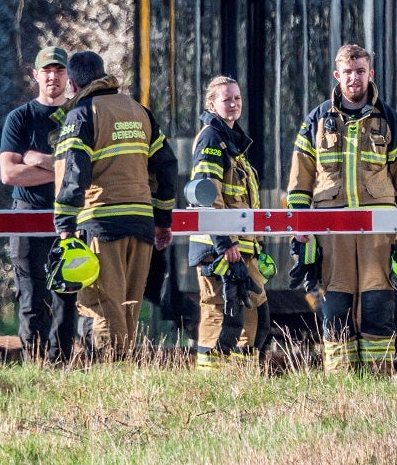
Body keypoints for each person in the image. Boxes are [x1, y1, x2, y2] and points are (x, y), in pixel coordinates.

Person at [289, 43, 397, 372]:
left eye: (360, 71)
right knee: (336, 306)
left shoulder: (390, 119)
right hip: (331, 231)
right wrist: (300, 226)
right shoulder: (316, 120)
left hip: (379, 231)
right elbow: (300, 179)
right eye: (348, 72)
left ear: (370, 74)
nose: (354, 78)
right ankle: (341, 385)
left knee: (378, 305)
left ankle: (377, 382)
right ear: (337, 76)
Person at [52, 50, 176, 361]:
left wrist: (65, 226)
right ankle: (123, 376)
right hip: (142, 224)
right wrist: (162, 219)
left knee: (101, 305)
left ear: (74, 83)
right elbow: (166, 166)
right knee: (128, 307)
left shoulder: (82, 114)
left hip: (101, 223)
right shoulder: (138, 111)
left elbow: (73, 172)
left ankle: (108, 376)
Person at [0, 46, 79, 362]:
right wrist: (64, 167)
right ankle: (35, 364)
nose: (52, 76)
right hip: (27, 217)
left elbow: (89, 170)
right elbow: (9, 174)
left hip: (69, 217)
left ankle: (61, 365)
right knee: (32, 297)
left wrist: (42, 160)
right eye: (46, 70)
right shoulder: (20, 118)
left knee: (67, 296)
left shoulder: (79, 115)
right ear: (36, 74)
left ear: (68, 76)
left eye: (59, 70)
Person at [187, 76, 266, 369]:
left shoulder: (232, 141)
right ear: (211, 104)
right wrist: (224, 243)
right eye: (226, 99)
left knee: (252, 314)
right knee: (220, 314)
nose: (233, 104)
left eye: (237, 98)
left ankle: (241, 380)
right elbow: (207, 195)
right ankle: (210, 382)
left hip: (241, 248)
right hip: (218, 249)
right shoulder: (211, 138)